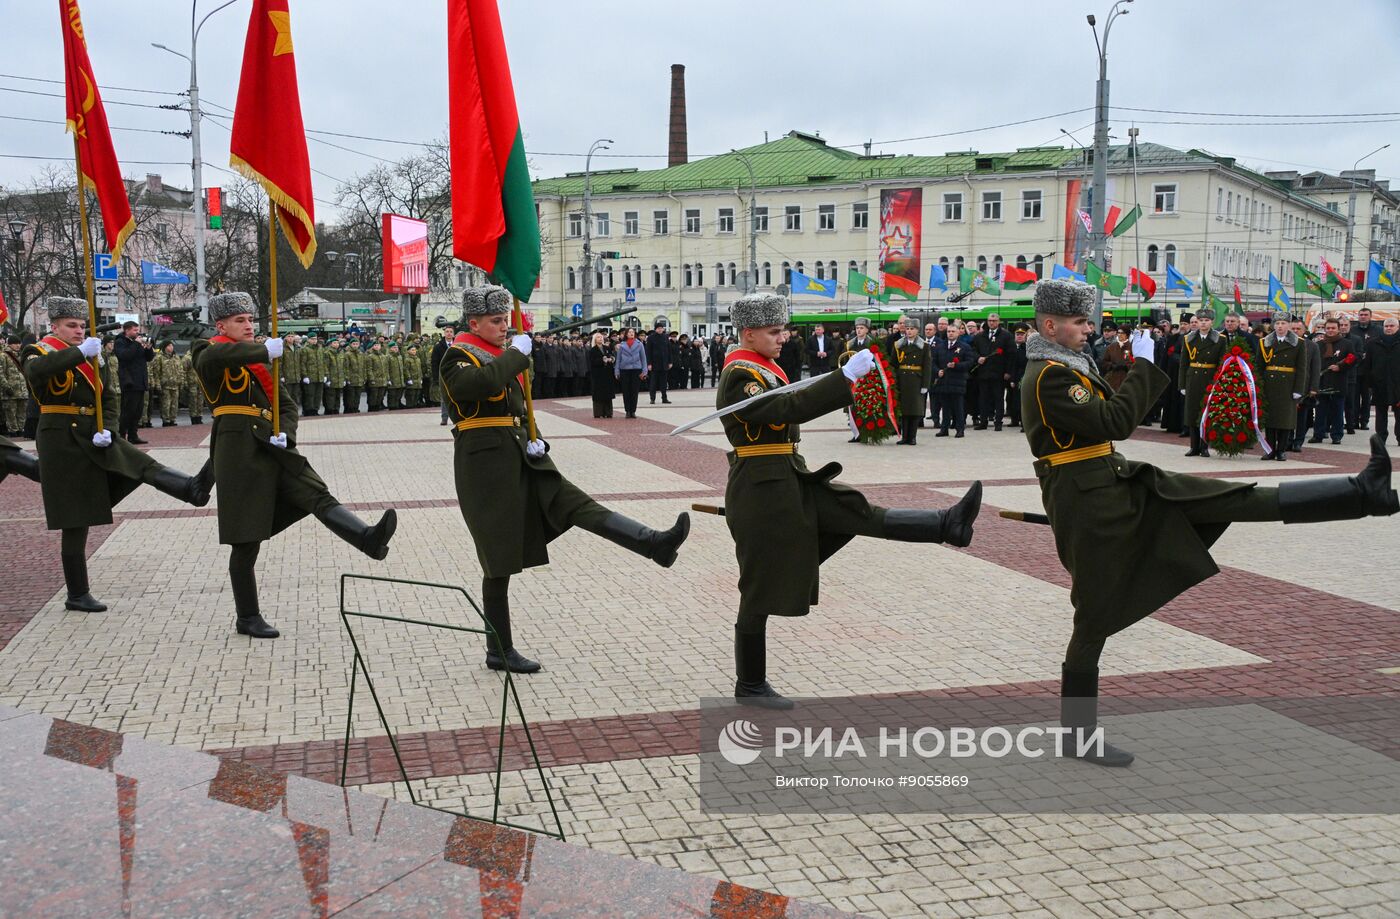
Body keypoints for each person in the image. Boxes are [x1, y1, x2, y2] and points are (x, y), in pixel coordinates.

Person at [1020, 279, 1398, 767]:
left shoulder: (1064, 365)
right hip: (1091, 503)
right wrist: (1145, 368)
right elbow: (1114, 422)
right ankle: (1077, 736)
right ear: (1050, 326)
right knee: (1092, 617)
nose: (1088, 328)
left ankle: (1358, 494)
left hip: (1110, 484)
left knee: (1227, 496)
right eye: (1079, 322)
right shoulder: (1051, 374)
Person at [714, 293, 982, 708]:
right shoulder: (739, 373)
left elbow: (790, 402)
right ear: (748, 333)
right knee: (758, 586)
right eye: (774, 331)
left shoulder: (765, 366)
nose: (783, 338)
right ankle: (749, 684)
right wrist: (845, 380)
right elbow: (788, 409)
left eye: (783, 329)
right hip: (762, 489)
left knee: (854, 510)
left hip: (788, 478)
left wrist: (842, 379)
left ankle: (945, 524)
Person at [442, 286, 690, 672]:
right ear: (473, 323)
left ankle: (652, 543)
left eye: (505, 319)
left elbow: (516, 407)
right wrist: (515, 355)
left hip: (519, 454)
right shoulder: (456, 355)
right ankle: (499, 649)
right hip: (485, 467)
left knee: (577, 504)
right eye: (495, 321)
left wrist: (533, 436)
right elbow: (480, 387)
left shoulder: (497, 355)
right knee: (498, 559)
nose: (504, 326)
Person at [190, 293, 398, 639]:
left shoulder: (261, 362)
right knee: (245, 538)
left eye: (250, 320)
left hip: (273, 447)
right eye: (240, 321)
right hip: (238, 447)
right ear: (220, 325)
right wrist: (263, 350)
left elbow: (286, 406)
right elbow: (214, 357)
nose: (248, 326)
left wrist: (285, 434)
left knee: (315, 493)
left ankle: (366, 538)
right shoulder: (207, 350)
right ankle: (248, 616)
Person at [23, 297, 213, 613]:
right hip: (60, 437)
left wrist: (108, 428)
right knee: (75, 518)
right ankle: (77, 593)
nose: (78, 331)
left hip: (92, 430)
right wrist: (79, 353)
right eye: (71, 326)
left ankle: (190, 488)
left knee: (138, 463)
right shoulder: (40, 350)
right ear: (54, 326)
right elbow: (37, 372)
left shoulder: (91, 355)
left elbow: (109, 396)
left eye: (81, 326)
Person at [1259, 314, 1308, 461]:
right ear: (1273, 326)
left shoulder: (1298, 343)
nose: (1280, 326)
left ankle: (1281, 450)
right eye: (1277, 323)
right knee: (1270, 420)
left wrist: (1298, 389)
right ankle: (1270, 449)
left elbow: (1301, 368)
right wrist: (1259, 387)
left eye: (1283, 323)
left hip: (1288, 385)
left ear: (1289, 326)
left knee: (1285, 420)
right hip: (1269, 384)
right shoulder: (1265, 342)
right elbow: (1259, 366)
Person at [1179, 309, 1224, 457]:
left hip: (1209, 378)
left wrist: (1219, 383)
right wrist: (1182, 385)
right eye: (1200, 320)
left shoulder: (1219, 339)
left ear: (1212, 322)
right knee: (1192, 413)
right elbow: (1183, 364)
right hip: (1193, 378)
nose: (1203, 323)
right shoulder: (1189, 339)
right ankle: (1194, 446)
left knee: (1206, 413)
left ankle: (1204, 446)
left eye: (1206, 320)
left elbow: (1221, 363)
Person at [1310, 318, 1357, 445]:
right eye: (1328, 328)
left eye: (1333, 328)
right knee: (1320, 410)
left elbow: (1353, 359)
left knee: (1337, 410)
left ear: (1338, 329)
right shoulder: (1319, 344)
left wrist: (1340, 366)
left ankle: (1336, 435)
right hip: (1322, 381)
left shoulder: (1347, 344)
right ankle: (1318, 434)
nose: (1330, 331)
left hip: (1338, 381)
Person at [891, 318, 932, 445]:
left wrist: (925, 384)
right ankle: (904, 437)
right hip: (902, 380)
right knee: (903, 411)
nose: (909, 331)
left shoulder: (923, 346)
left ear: (917, 330)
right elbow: (893, 364)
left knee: (914, 410)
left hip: (916, 380)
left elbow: (927, 366)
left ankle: (912, 437)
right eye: (907, 329)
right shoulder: (899, 345)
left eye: (912, 329)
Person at [971, 312, 1016, 429]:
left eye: (994, 320)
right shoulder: (980, 336)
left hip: (999, 373)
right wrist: (977, 358)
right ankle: (983, 422)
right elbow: (973, 350)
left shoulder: (1006, 336)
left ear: (998, 322)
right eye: (990, 320)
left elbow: (1011, 355)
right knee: (983, 398)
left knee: (998, 398)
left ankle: (998, 422)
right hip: (983, 372)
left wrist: (1008, 372)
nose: (992, 323)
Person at [112, 321, 153, 444]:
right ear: (127, 330)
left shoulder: (138, 343)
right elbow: (125, 356)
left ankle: (133, 435)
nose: (137, 332)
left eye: (137, 329)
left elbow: (148, 358)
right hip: (129, 381)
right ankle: (121, 435)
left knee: (137, 411)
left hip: (140, 380)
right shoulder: (120, 342)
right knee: (128, 410)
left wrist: (148, 348)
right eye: (135, 330)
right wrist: (136, 344)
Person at [931, 325, 974, 437]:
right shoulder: (940, 346)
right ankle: (944, 429)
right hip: (943, 381)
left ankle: (960, 429)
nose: (950, 333)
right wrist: (937, 371)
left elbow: (970, 362)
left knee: (958, 407)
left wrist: (957, 365)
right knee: (945, 407)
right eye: (949, 331)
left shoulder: (964, 347)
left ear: (958, 333)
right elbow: (933, 362)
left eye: (953, 331)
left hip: (957, 381)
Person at [1365, 317, 1400, 442]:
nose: (1389, 328)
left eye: (1392, 326)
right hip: (1380, 384)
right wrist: (1369, 382)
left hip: (1398, 385)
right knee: (1380, 413)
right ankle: (1381, 437)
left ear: (1397, 327)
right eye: (1386, 326)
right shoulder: (1373, 343)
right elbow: (1367, 364)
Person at [614, 327, 646, 418]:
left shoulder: (639, 344)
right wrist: (617, 371)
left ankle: (633, 411)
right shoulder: (622, 345)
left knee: (634, 391)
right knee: (626, 391)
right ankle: (627, 410)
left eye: (633, 332)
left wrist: (644, 370)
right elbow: (618, 359)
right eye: (629, 332)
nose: (631, 333)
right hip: (624, 370)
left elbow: (643, 358)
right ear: (626, 334)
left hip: (636, 369)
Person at [1, 335, 28, 436]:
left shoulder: (20, 355)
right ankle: (13, 432)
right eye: (15, 343)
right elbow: (1, 373)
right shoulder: (4, 356)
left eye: (19, 343)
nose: (18, 345)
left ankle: (21, 430)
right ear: (10, 344)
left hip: (22, 390)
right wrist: (6, 387)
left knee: (22, 413)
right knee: (11, 414)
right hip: (10, 390)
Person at [152, 342, 183, 427]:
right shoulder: (159, 358)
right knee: (166, 404)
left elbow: (180, 370)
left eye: (172, 345)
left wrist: (181, 381)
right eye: (169, 346)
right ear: (164, 347)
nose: (171, 347)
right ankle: (166, 420)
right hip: (165, 385)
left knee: (174, 404)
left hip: (175, 384)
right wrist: (157, 384)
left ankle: (173, 419)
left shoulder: (176, 357)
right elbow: (156, 373)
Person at [587, 331, 615, 418]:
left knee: (607, 394)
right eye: (598, 337)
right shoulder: (592, 350)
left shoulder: (607, 348)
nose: (600, 338)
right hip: (598, 375)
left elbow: (611, 356)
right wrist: (602, 360)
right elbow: (592, 362)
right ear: (595, 339)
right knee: (599, 394)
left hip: (607, 374)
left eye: (601, 337)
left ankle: (608, 412)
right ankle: (599, 412)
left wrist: (612, 359)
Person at [645, 322, 672, 404]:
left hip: (664, 363)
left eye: (661, 328)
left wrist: (670, 362)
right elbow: (648, 351)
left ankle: (664, 398)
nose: (660, 329)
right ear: (655, 329)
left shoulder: (665, 337)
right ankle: (652, 398)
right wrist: (649, 363)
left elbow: (669, 350)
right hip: (654, 364)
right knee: (653, 382)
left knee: (664, 382)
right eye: (658, 328)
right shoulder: (651, 338)